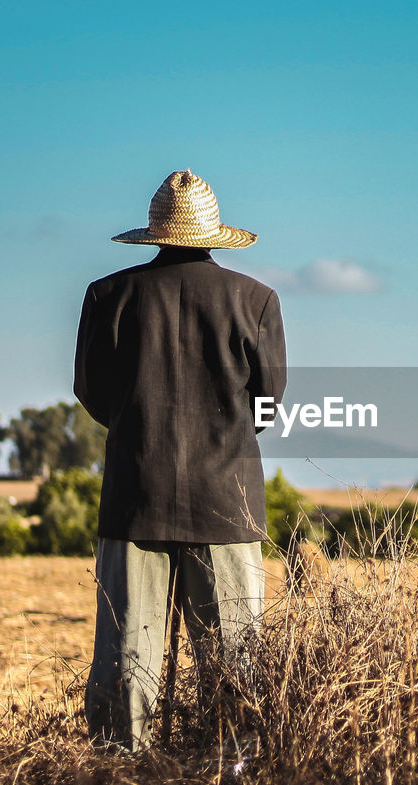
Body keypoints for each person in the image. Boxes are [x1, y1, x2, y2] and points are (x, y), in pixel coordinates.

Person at [75, 169, 286, 751]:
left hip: (133, 499)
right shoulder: (256, 301)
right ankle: (233, 784)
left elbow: (92, 393)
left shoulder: (106, 296)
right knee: (235, 665)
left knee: (126, 667)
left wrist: (140, 434)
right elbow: (266, 405)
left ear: (155, 233)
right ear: (213, 234)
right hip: (227, 501)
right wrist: (223, 440)